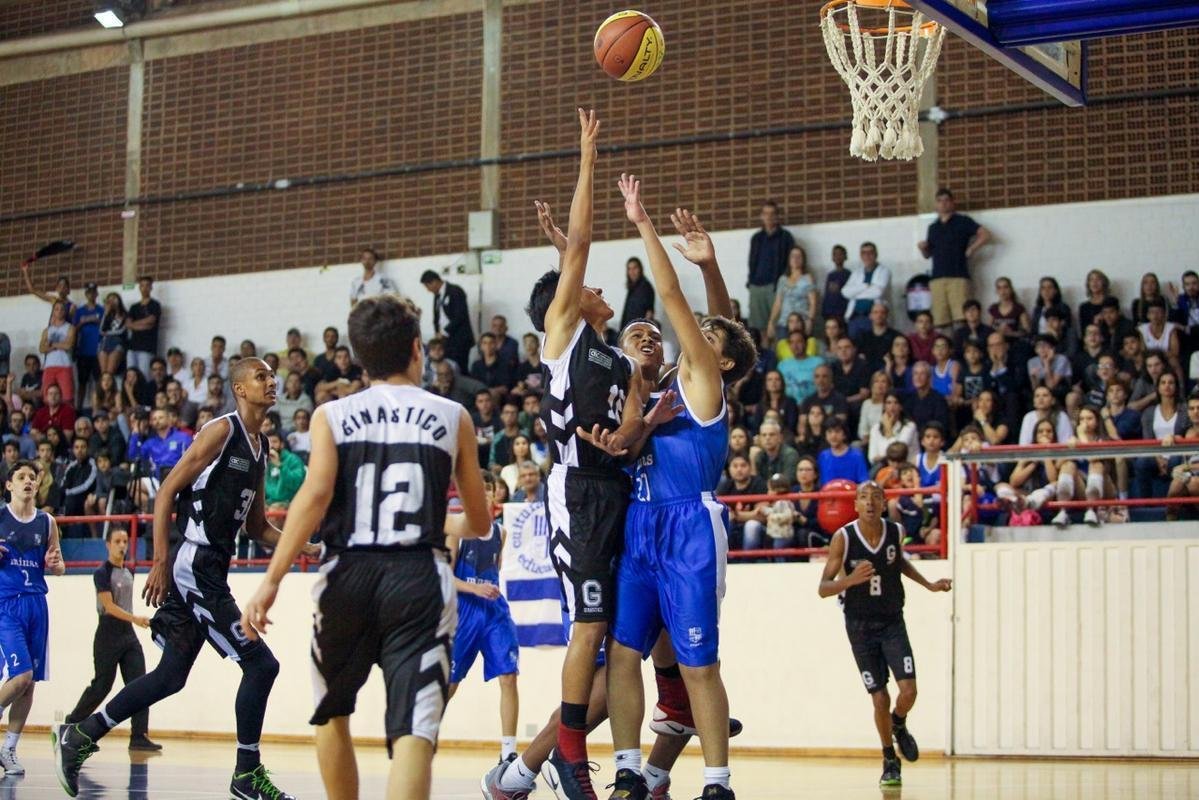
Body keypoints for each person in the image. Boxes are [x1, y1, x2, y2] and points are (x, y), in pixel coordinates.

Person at [240, 295, 491, 800]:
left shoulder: (330, 415)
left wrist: (270, 581)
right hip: (419, 578)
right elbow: (480, 522)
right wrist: (438, 517)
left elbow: (313, 498)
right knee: (415, 730)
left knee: (331, 713)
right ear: (417, 349)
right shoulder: (453, 415)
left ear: (358, 356)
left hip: (346, 574)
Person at [53, 359, 307, 800]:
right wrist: (160, 560)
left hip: (211, 567)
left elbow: (257, 526)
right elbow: (168, 488)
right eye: (261, 376)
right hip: (193, 564)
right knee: (261, 665)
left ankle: (80, 735)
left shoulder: (260, 445)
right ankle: (246, 773)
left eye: (272, 376)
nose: (272, 381)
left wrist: (301, 544)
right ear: (240, 389)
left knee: (171, 676)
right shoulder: (221, 431)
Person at [498, 111, 656, 798]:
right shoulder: (563, 336)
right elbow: (582, 250)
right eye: (585, 285)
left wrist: (635, 425)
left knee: (618, 647)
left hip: (615, 485)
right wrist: (588, 158)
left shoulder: (618, 357)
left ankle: (537, 766)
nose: (597, 288)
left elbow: (634, 416)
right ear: (564, 301)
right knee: (589, 627)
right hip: (578, 491)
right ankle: (566, 756)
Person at [603, 175, 756, 800]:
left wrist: (642, 222)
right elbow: (723, 327)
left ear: (722, 362)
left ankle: (717, 783)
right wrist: (710, 266)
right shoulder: (668, 380)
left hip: (688, 524)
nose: (695, 334)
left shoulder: (704, 384)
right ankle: (628, 769)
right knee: (622, 653)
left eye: (706, 338)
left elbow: (685, 307)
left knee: (699, 664)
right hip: (640, 524)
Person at [818, 482, 952, 787]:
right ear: (855, 504)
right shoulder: (843, 537)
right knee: (880, 697)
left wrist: (929, 585)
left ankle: (899, 723)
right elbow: (823, 588)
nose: (869, 503)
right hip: (860, 626)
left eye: (875, 497)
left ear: (883, 503)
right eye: (863, 498)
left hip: (892, 621)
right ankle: (890, 759)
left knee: (909, 691)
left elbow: (898, 561)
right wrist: (850, 580)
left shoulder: (895, 531)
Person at [64, 527, 160, 752]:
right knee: (101, 686)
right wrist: (136, 618)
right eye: (117, 541)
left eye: (125, 541)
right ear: (108, 544)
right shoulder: (101, 572)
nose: (122, 545)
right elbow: (108, 606)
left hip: (128, 634)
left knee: (140, 685)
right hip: (108, 633)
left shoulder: (129, 571)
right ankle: (71, 724)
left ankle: (139, 735)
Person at [447, 471, 521, 762]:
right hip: (464, 610)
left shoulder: (500, 533)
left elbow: (495, 570)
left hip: (493, 612)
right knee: (450, 683)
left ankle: (508, 753)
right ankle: (421, 738)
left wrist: (485, 590)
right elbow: (445, 576)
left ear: (494, 494)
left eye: (489, 489)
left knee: (509, 676)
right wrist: (474, 589)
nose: (485, 494)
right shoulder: (456, 530)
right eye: (479, 489)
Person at [2, 460, 66, 777]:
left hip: (37, 605)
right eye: (21, 477)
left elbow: (59, 566)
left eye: (32, 477)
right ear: (9, 485)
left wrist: (55, 565)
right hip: (7, 604)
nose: (28, 481)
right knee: (21, 676)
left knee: (29, 686)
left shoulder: (47, 522)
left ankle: (9, 749)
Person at [917, 188, 990, 331]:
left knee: (961, 319)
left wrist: (972, 248)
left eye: (946, 200)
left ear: (952, 203)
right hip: (937, 278)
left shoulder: (963, 221)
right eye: (940, 201)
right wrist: (923, 248)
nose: (943, 204)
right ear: (936, 204)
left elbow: (985, 234)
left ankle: (962, 345)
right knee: (940, 322)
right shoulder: (933, 227)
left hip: (958, 276)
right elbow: (928, 255)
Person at [745, 200, 795, 331]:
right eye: (766, 214)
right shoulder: (756, 238)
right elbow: (752, 262)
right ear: (761, 216)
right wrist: (751, 282)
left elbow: (790, 263)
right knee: (757, 327)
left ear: (778, 216)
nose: (769, 217)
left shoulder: (786, 237)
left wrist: (782, 283)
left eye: (772, 214)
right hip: (756, 286)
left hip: (776, 286)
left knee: (776, 325)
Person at [421, 269, 475, 370]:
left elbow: (460, 316)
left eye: (427, 286)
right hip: (445, 341)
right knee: (446, 368)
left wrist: (444, 332)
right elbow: (438, 318)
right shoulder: (437, 296)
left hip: (459, 339)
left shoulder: (455, 291)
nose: (428, 290)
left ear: (434, 282)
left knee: (459, 369)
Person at [765, 246, 818, 345]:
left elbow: (813, 303)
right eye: (793, 256)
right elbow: (778, 303)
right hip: (784, 322)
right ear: (789, 259)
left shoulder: (808, 278)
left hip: (802, 322)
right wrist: (771, 321)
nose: (795, 259)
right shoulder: (783, 279)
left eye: (798, 256)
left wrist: (810, 321)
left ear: (803, 259)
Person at [842, 242, 891, 340]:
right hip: (855, 317)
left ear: (876, 254)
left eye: (870, 253)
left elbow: (877, 292)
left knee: (873, 345)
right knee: (854, 346)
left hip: (873, 318)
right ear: (861, 256)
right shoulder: (856, 273)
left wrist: (855, 292)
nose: (867, 256)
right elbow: (845, 292)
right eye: (864, 253)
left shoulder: (884, 271)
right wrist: (866, 286)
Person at [40, 300, 76, 406]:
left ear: (65, 312)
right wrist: (61, 345)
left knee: (67, 397)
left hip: (64, 365)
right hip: (49, 366)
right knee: (47, 397)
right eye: (56, 309)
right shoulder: (47, 330)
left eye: (62, 309)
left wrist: (52, 345)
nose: (59, 311)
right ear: (53, 312)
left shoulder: (70, 328)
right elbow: (41, 348)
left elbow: (69, 345)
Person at [72, 284, 103, 408]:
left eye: (93, 292)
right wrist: (83, 322)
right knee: (82, 382)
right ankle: (78, 408)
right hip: (83, 351)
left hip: (98, 352)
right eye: (89, 292)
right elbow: (73, 330)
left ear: (97, 294)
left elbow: (107, 327)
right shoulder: (79, 311)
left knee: (99, 382)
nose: (91, 295)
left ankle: (98, 407)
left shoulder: (102, 310)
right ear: (86, 294)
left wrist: (97, 321)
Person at [125, 277, 161, 376]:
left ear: (151, 288)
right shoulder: (134, 307)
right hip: (132, 347)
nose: (145, 288)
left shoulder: (155, 305)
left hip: (147, 347)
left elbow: (151, 321)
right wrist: (142, 324)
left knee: (144, 376)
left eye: (147, 285)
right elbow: (128, 324)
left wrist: (134, 324)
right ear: (139, 288)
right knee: (130, 375)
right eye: (142, 286)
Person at [620, 256, 656, 328]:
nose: (632, 272)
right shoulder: (632, 288)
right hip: (628, 328)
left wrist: (642, 330)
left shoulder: (646, 287)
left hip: (639, 330)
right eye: (629, 269)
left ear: (640, 269)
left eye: (635, 268)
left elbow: (649, 312)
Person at [822, 244, 852, 323]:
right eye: (835, 254)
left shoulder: (849, 275)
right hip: (829, 312)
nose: (838, 257)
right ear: (832, 258)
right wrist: (824, 310)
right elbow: (827, 294)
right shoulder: (830, 275)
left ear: (845, 257)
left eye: (840, 254)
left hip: (842, 312)